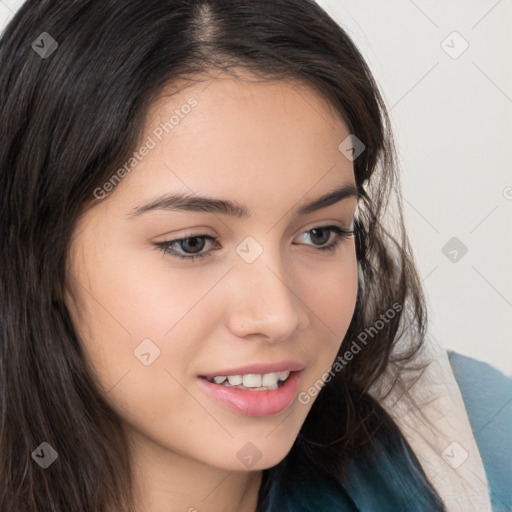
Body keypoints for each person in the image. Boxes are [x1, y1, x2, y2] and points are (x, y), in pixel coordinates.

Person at [0, 1, 510, 511]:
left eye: (320, 234)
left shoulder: (478, 445)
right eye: (192, 243)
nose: (279, 315)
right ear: (40, 253)